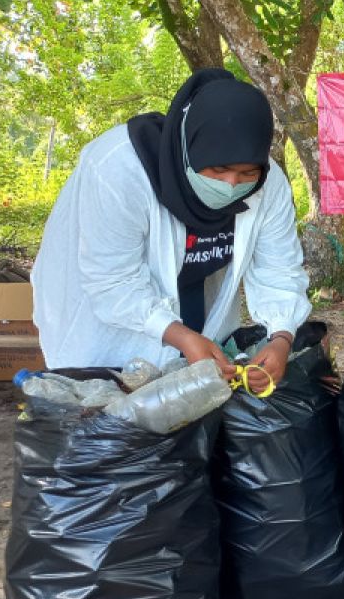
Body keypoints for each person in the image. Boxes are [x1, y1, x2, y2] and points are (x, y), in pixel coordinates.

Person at [33, 68, 310, 393]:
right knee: (110, 412)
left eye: (246, 172)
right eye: (218, 169)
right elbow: (112, 281)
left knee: (186, 404)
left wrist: (281, 337)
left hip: (195, 287)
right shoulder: (118, 169)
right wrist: (181, 335)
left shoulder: (267, 181)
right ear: (190, 147)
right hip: (105, 312)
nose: (232, 184)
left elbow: (280, 269)